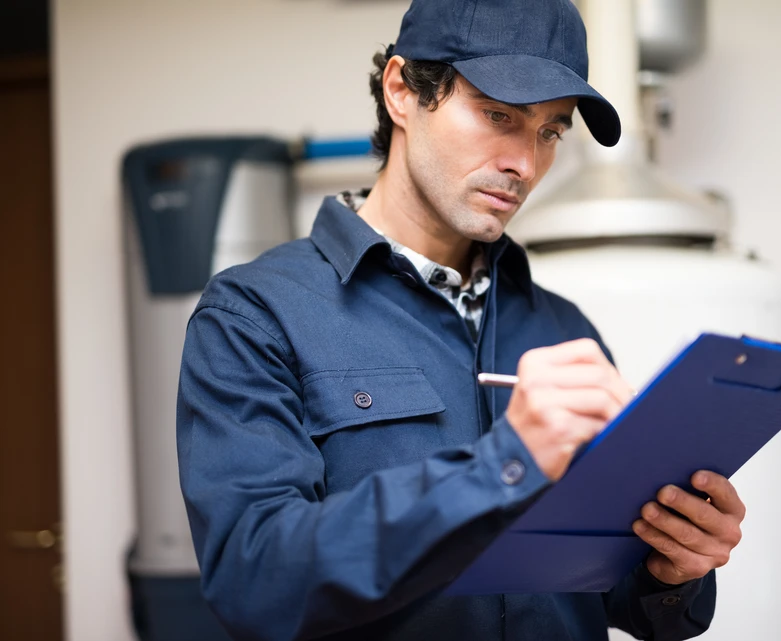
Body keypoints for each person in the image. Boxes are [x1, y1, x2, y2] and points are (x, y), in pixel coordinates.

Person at [176, 0, 747, 639]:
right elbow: (254, 581)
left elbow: (611, 592)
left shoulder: (567, 329)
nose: (525, 165)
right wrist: (505, 464)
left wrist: (673, 567)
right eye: (498, 115)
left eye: (550, 132)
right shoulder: (255, 316)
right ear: (401, 91)